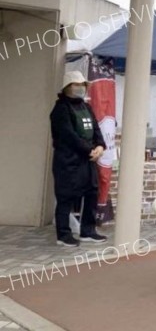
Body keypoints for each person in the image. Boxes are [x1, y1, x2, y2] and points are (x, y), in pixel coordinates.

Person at [50, 71, 107, 247]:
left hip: (88, 161)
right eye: (76, 84)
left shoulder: (86, 107)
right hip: (68, 161)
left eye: (83, 85)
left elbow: (96, 130)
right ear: (67, 87)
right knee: (65, 197)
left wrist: (100, 146)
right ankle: (63, 234)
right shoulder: (60, 109)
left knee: (92, 192)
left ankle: (88, 231)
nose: (80, 88)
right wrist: (90, 150)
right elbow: (69, 136)